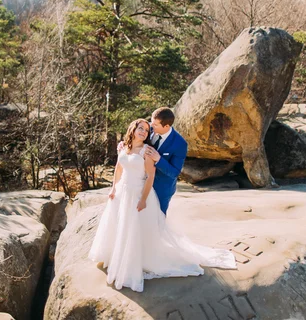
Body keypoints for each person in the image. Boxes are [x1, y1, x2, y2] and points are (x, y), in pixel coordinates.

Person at [89, 117, 237, 293]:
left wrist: (143, 199)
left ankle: (136, 260)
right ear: (133, 129)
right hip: (122, 192)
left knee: (136, 228)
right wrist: (113, 188)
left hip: (138, 193)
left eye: (147, 129)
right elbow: (119, 168)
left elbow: (151, 176)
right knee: (119, 225)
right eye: (141, 128)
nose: (145, 131)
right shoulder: (124, 147)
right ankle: (116, 255)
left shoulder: (147, 151)